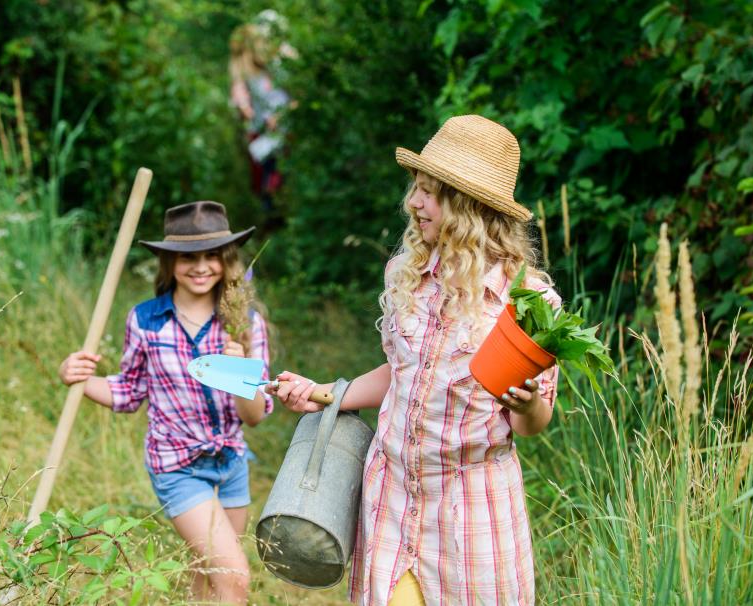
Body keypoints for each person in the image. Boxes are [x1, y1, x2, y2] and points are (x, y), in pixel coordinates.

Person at [268, 115, 560, 605]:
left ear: (467, 206)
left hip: (471, 510)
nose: (414, 203)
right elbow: (401, 376)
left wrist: (528, 403)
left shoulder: (526, 303)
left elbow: (532, 423)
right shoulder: (409, 275)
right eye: (415, 189)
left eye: (429, 192)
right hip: (394, 495)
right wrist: (325, 394)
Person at [58, 201, 272, 604]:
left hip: (230, 465)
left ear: (227, 261)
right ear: (170, 262)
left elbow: (256, 417)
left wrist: (239, 372)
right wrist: (77, 378)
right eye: (188, 257)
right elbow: (128, 392)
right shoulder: (146, 320)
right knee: (234, 578)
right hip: (177, 465)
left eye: (212, 255)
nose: (201, 266)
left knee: (207, 580)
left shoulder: (244, 323)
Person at [229, 19, 293, 217]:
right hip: (262, 130)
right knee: (266, 174)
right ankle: (272, 214)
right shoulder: (246, 68)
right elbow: (240, 91)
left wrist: (282, 115)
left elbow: (294, 93)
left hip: (282, 129)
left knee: (278, 174)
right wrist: (244, 106)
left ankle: (279, 213)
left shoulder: (280, 61)